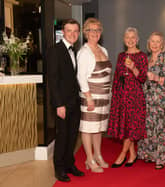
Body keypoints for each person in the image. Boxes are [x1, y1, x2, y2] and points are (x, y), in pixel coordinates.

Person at [47, 18, 84, 182]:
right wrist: (59, 104)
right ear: (63, 32)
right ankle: (59, 168)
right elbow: (53, 80)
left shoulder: (75, 50)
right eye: (69, 31)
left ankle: (70, 164)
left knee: (73, 135)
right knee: (62, 136)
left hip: (75, 102)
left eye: (76, 31)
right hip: (62, 103)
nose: (73, 34)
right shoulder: (55, 50)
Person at [107, 27, 148, 168]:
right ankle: (133, 154)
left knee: (132, 124)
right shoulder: (121, 56)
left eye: (133, 37)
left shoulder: (142, 56)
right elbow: (117, 76)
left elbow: (143, 78)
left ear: (137, 40)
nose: (130, 40)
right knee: (125, 125)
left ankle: (123, 154)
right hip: (121, 95)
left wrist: (133, 68)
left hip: (135, 95)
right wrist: (114, 94)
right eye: (127, 37)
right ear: (124, 40)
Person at [77, 18, 112, 173]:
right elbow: (80, 76)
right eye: (91, 30)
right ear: (85, 33)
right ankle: (89, 159)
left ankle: (98, 155)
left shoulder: (103, 50)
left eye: (97, 30)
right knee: (88, 128)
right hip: (90, 96)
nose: (95, 33)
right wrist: (89, 97)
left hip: (104, 97)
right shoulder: (84, 52)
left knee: (98, 128)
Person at [137, 31, 165, 169]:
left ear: (162, 44)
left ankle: (161, 157)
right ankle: (148, 154)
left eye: (157, 41)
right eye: (152, 41)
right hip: (147, 99)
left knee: (161, 128)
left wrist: (156, 78)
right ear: (149, 43)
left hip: (161, 100)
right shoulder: (146, 58)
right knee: (149, 126)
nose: (154, 44)